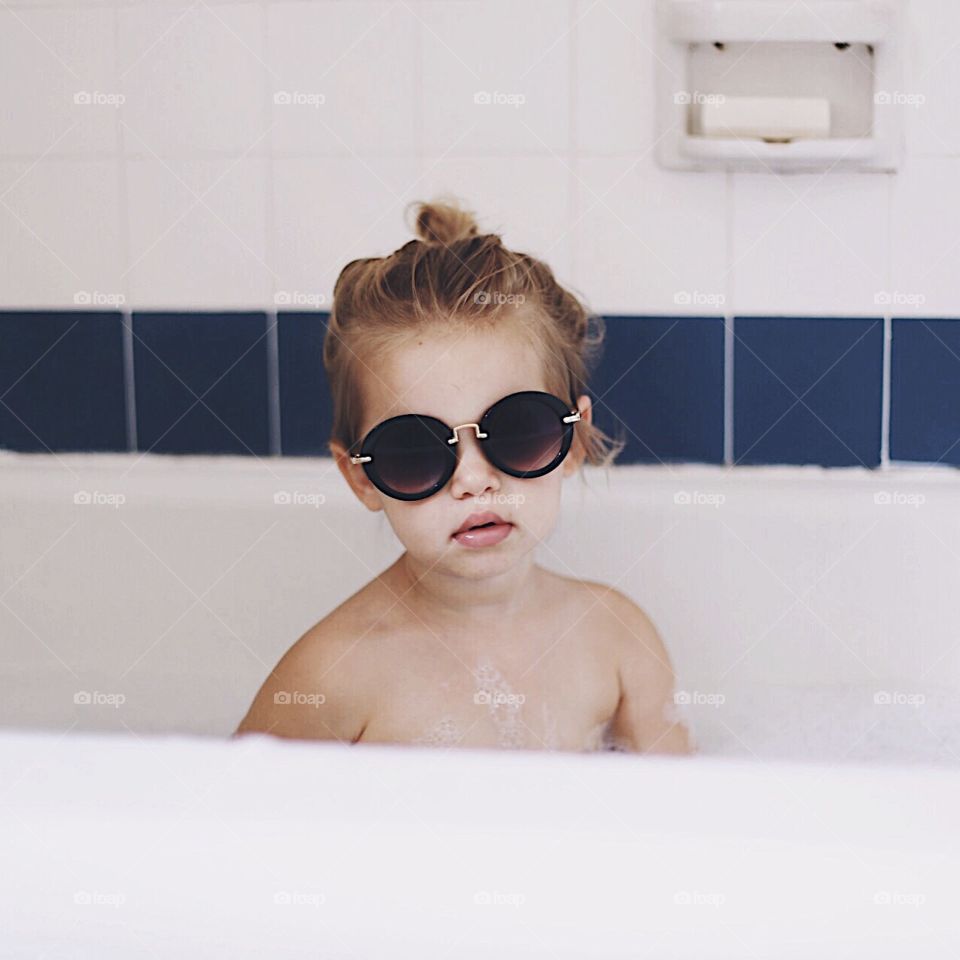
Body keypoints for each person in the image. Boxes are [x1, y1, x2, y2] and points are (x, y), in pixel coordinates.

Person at [235, 197, 694, 755]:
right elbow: (231, 808)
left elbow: (681, 799)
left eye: (517, 431)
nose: (474, 480)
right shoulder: (331, 677)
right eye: (414, 451)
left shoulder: (616, 638)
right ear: (361, 479)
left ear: (572, 442)